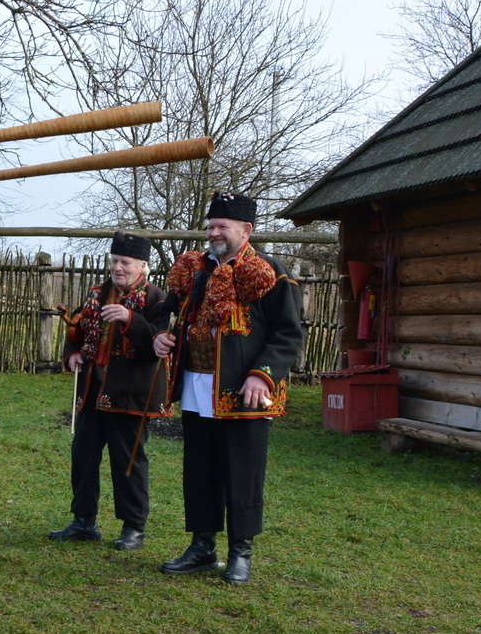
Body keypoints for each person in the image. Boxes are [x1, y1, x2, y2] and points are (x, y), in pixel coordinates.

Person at [153, 193, 303, 585]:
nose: (214, 233)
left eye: (223, 227)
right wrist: (159, 337)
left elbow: (288, 333)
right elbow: (164, 313)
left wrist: (262, 374)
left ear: (246, 230)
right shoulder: (196, 270)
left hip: (244, 390)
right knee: (200, 469)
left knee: (242, 470)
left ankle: (241, 552)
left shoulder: (268, 271)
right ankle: (202, 546)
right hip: (196, 384)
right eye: (211, 226)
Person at [49, 232, 169, 551]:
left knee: (127, 461)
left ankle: (133, 527)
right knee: (84, 455)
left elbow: (159, 346)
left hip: (132, 394)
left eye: (125, 262)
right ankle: (84, 521)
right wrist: (72, 353)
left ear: (142, 265)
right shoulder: (97, 294)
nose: (117, 268)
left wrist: (131, 319)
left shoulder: (156, 299)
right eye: (114, 261)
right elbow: (77, 329)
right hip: (93, 388)